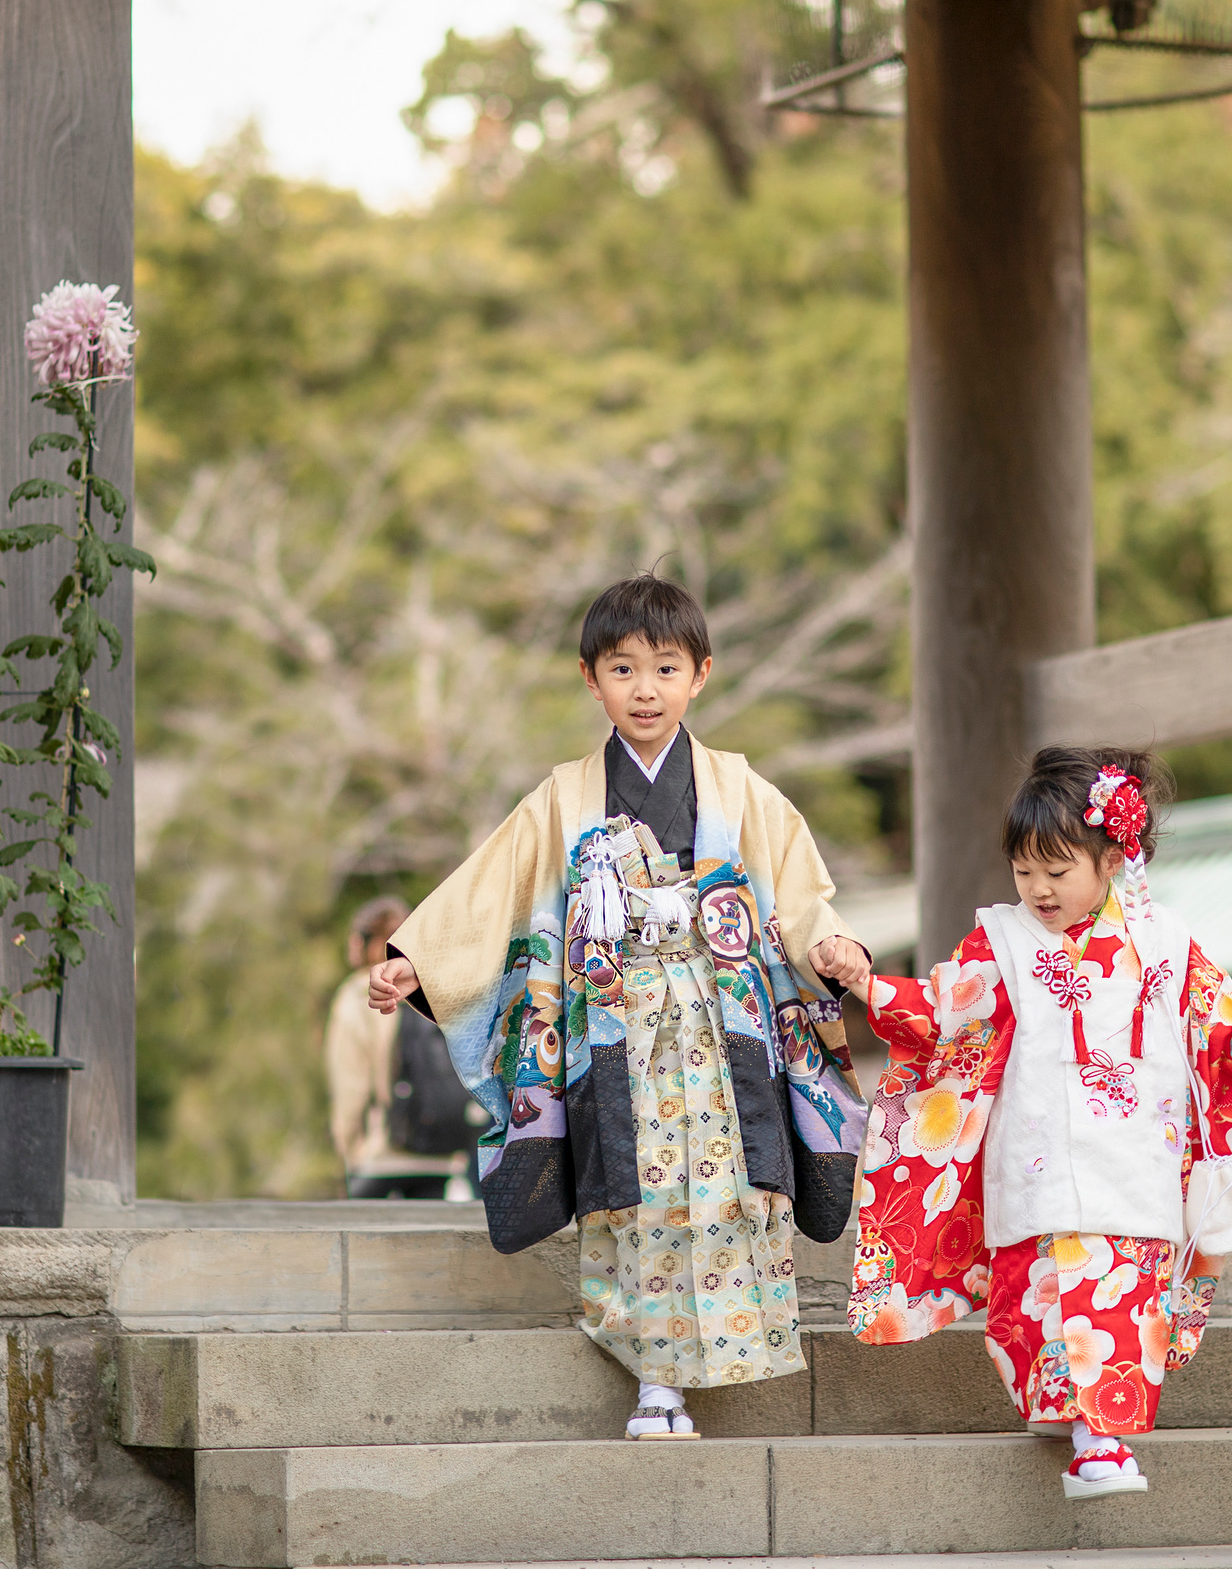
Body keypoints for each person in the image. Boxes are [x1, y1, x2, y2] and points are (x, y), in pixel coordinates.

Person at [367, 573, 872, 1441]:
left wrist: (832, 946)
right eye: (624, 669)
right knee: (630, 1190)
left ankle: (717, 1349)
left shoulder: (739, 788)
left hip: (722, 1022)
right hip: (611, 1021)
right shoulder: (562, 794)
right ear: (588, 678)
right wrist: (420, 959)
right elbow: (490, 889)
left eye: (665, 668)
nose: (646, 688)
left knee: (720, 1181)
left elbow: (798, 893)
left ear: (700, 675)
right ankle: (655, 1378)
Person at [847, 747, 1232, 1500]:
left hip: (1134, 1159)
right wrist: (865, 982)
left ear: (1110, 858)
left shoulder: (1163, 939)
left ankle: (1099, 1438)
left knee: (1112, 1296)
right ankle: (1067, 1412)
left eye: (1058, 869)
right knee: (1039, 1297)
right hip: (1036, 1158)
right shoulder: (1001, 940)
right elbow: (946, 1011)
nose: (1037, 888)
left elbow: (1218, 1020)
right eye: (1024, 869)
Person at [327, 895, 476, 1198]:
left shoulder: (358, 996)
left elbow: (351, 1085)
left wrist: (350, 1148)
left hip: (381, 1156)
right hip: (441, 1158)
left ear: (370, 941)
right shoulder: (435, 988)